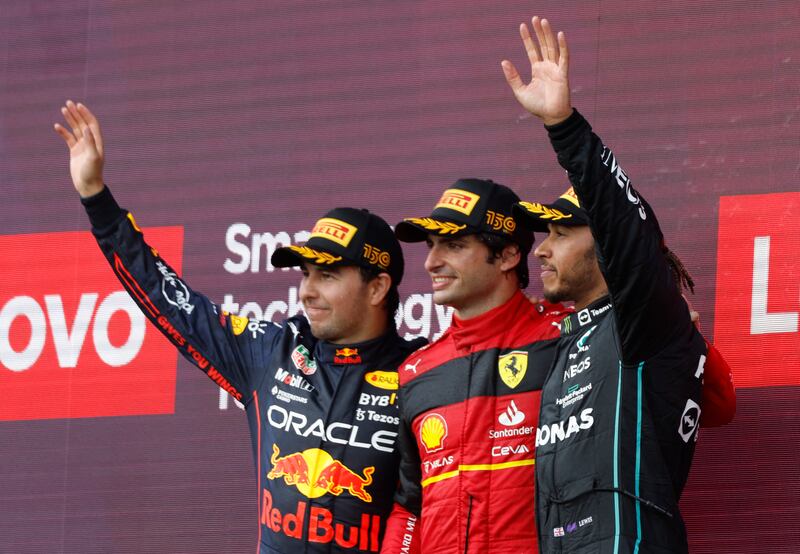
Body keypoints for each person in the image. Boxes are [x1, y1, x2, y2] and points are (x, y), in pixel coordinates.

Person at [54, 101, 425, 554]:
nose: (307, 291)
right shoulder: (272, 354)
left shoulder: (423, 374)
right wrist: (97, 200)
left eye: (326, 276)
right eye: (304, 275)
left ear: (377, 287)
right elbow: (171, 302)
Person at [503, 16, 711, 552]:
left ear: (608, 245)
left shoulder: (645, 319)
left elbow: (628, 227)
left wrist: (565, 126)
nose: (541, 249)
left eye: (560, 233)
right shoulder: (573, 335)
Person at [379, 178, 567, 553]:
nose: (432, 262)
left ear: (509, 255)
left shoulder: (566, 338)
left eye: (454, 245)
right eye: (432, 247)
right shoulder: (417, 371)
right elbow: (410, 506)